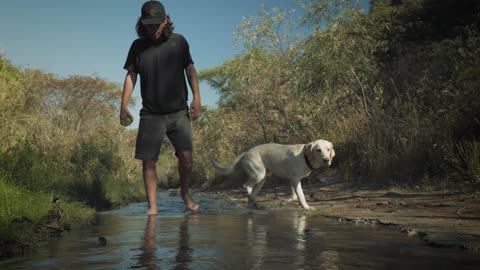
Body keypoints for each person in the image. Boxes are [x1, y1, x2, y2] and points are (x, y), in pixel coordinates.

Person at [120, 0, 201, 215]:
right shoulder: (137, 46)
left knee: (186, 157)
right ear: (142, 24)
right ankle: (153, 207)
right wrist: (123, 105)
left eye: (157, 24)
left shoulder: (179, 42)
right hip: (151, 115)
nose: (153, 29)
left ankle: (185, 193)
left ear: (166, 20)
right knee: (149, 161)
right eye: (149, 25)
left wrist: (197, 99)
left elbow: (190, 70)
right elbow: (131, 76)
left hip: (178, 111)